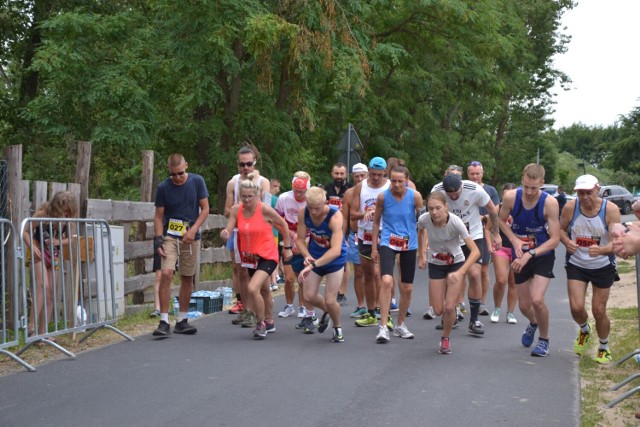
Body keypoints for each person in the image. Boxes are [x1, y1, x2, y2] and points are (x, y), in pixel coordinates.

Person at [220, 175, 293, 339]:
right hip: (250, 256)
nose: (246, 200)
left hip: (268, 255)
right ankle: (269, 321)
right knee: (265, 289)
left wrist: (287, 247)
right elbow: (229, 228)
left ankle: (260, 324)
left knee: (253, 288)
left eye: (250, 196)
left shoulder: (264, 209)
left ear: (257, 195)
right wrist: (225, 233)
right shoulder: (236, 210)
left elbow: (283, 225)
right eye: (243, 196)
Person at [499, 163, 560, 357]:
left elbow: (555, 239)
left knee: (537, 299)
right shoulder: (511, 197)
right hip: (519, 253)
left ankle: (544, 340)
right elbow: (500, 221)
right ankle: (533, 323)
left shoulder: (549, 203)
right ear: (522, 181)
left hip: (541, 254)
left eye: (534, 188)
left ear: (542, 183)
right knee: (524, 306)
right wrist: (514, 239)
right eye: (526, 186)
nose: (529, 191)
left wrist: (530, 254)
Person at [560, 174, 620, 363]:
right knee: (576, 307)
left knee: (598, 310)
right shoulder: (571, 207)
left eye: (589, 193)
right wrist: (567, 241)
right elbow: (559, 229)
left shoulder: (610, 210)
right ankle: (585, 330)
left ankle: (603, 346)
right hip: (577, 263)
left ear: (597, 189)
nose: (585, 197)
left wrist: (602, 250)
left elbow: (617, 243)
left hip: (602, 265)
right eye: (580, 193)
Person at [431, 172, 500, 336]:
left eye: (456, 194)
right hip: (450, 238)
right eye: (450, 195)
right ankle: (451, 315)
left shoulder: (474, 189)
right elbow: (429, 215)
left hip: (473, 236)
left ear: (462, 186)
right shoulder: (437, 190)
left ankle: (474, 319)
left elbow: (492, 210)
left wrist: (495, 233)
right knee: (452, 276)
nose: (453, 198)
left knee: (475, 274)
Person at [152, 153, 210, 337]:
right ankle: (163, 320)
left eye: (180, 173)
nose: (177, 177)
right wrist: (158, 239)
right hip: (170, 235)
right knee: (166, 273)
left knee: (187, 276)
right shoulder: (163, 187)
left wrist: (193, 230)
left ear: (186, 166)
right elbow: (158, 216)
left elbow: (206, 208)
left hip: (190, 236)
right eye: (173, 174)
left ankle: (182, 320)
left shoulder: (197, 181)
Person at [418, 192, 480, 354]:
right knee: (438, 310)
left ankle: (445, 338)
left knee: (450, 307)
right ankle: (446, 318)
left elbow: (475, 252)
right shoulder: (424, 219)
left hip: (455, 263)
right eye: (430, 208)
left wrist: (461, 273)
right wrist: (421, 255)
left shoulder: (456, 222)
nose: (434, 212)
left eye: (438, 208)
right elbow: (421, 231)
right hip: (436, 263)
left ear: (446, 207)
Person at [371, 165, 423, 343]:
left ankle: (400, 324)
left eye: (400, 181)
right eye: (393, 180)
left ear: (407, 180)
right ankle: (383, 326)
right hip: (387, 241)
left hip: (409, 243)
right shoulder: (382, 197)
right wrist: (373, 247)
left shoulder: (415, 197)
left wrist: (423, 252)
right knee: (386, 280)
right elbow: (376, 221)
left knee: (407, 287)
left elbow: (422, 224)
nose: (396, 184)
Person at [224, 145, 271, 319]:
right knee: (241, 270)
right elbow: (227, 211)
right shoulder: (233, 183)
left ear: (255, 163)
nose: (245, 168)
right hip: (239, 232)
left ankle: (264, 314)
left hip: (258, 233)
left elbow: (268, 209)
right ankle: (246, 309)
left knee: (259, 272)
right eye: (242, 164)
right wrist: (241, 208)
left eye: (249, 164)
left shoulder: (263, 182)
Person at [296, 187, 347, 342]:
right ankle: (328, 312)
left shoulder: (335, 216)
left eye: (317, 208)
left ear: (325, 203)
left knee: (331, 299)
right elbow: (299, 239)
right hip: (315, 257)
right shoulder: (304, 213)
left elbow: (336, 250)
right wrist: (307, 256)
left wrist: (312, 265)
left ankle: (337, 327)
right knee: (308, 296)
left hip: (334, 261)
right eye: (310, 208)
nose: (313, 212)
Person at [23, 191, 78, 336]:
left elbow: (70, 239)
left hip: (54, 255)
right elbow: (25, 231)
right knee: (43, 286)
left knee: (51, 292)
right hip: (38, 252)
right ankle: (31, 327)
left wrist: (59, 241)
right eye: (63, 210)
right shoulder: (43, 214)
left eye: (68, 211)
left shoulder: (69, 220)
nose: (65, 214)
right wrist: (32, 247)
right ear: (56, 207)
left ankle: (44, 332)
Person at [350, 157, 391, 329]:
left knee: (379, 274)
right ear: (368, 171)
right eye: (373, 174)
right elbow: (352, 213)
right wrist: (365, 213)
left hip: (385, 234)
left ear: (385, 173)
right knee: (367, 274)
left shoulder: (389, 186)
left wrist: (379, 212)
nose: (375, 178)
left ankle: (385, 313)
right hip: (365, 235)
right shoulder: (361, 187)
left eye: (379, 175)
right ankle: (371, 313)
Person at [466, 161, 500, 316]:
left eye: (477, 173)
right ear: (468, 174)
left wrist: (483, 217)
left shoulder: (490, 190)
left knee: (484, 270)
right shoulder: (464, 188)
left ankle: (481, 302)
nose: (475, 176)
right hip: (465, 235)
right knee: (464, 269)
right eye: (472, 173)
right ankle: (460, 303)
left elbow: (495, 211)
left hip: (484, 234)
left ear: (482, 173)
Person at [275, 172, 311, 319]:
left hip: (307, 239)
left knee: (302, 276)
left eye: (302, 192)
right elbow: (275, 220)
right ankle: (289, 305)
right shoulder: (284, 198)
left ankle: (302, 306)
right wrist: (290, 236)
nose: (299, 195)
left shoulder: (312, 199)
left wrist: (303, 241)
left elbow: (317, 223)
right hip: (288, 238)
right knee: (289, 278)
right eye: (296, 191)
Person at [341, 163, 369, 319]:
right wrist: (342, 238)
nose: (359, 178)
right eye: (357, 176)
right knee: (358, 272)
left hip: (374, 235)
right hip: (355, 235)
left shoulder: (375, 191)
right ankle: (361, 305)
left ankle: (377, 305)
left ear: (367, 175)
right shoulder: (349, 193)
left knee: (374, 273)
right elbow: (345, 217)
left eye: (362, 175)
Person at [488, 183, 518, 324]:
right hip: (501, 248)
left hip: (517, 249)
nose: (508, 196)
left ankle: (510, 312)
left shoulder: (521, 209)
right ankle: (497, 308)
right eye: (506, 193)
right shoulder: (497, 209)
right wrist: (490, 244)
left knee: (513, 281)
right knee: (501, 280)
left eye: (511, 193)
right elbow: (487, 229)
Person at [324, 162, 351, 305]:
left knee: (344, 259)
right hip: (329, 227)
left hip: (345, 227)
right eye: (336, 173)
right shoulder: (326, 189)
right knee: (330, 258)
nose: (339, 176)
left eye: (341, 174)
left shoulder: (350, 189)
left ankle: (342, 292)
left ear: (346, 174)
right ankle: (331, 291)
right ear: (332, 174)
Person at [269, 178, 283, 291]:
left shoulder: (263, 199)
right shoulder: (274, 199)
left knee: (271, 256)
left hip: (273, 231)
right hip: (273, 231)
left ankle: (273, 279)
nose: (277, 189)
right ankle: (273, 279)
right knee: (273, 256)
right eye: (276, 186)